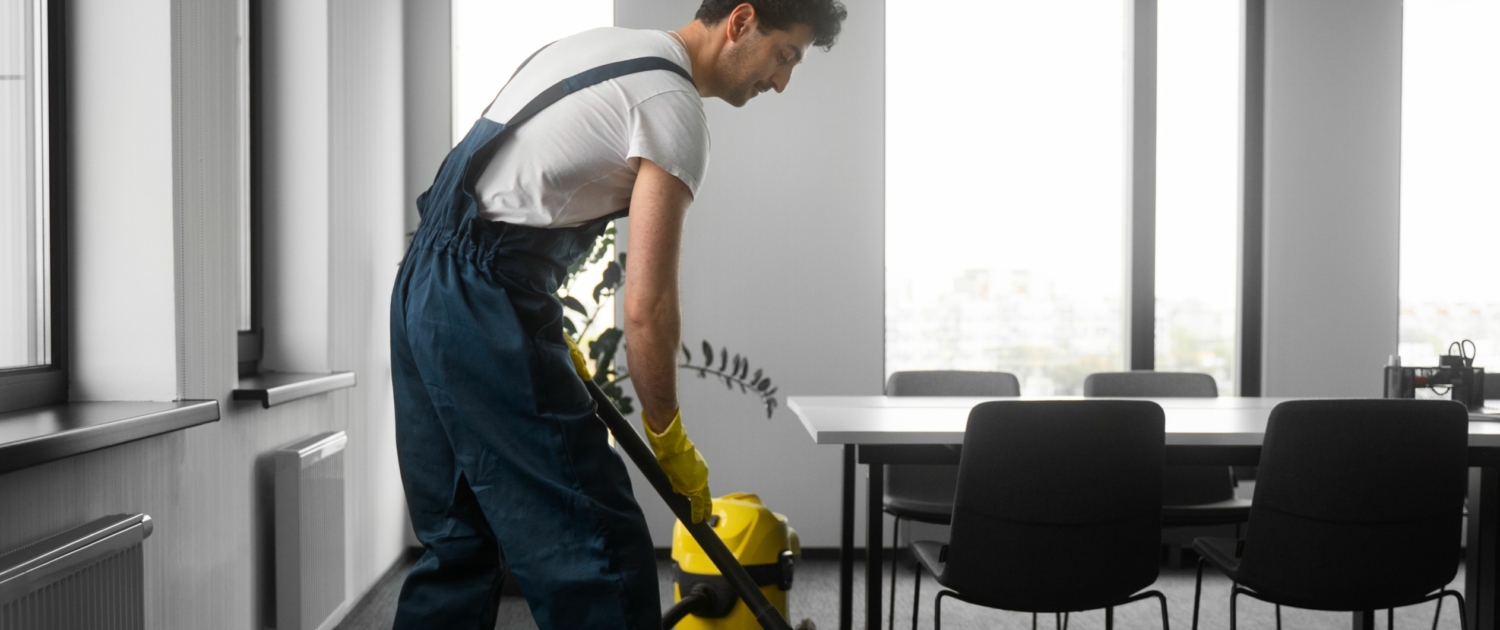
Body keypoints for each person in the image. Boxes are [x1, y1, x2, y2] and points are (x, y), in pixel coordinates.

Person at [388, 1, 848, 628]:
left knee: (458, 541)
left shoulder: (595, 48)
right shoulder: (672, 108)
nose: (782, 80)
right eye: (785, 55)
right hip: (484, 304)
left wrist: (524, 306)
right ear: (741, 22)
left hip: (426, 282)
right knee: (599, 552)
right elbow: (648, 308)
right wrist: (670, 439)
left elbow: (517, 191)